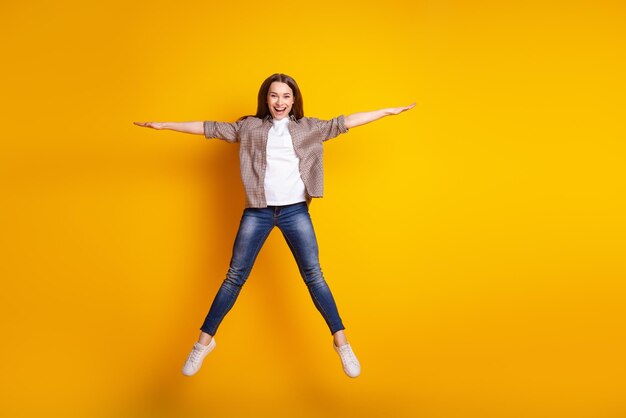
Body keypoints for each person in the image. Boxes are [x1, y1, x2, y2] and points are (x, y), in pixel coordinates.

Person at [134, 73, 415, 378]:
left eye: (285, 96)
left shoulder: (310, 128)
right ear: (265, 99)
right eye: (274, 96)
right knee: (234, 277)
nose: (279, 102)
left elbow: (345, 122)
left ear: (294, 100)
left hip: (295, 212)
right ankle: (203, 344)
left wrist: (386, 112)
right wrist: (165, 125)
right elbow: (208, 128)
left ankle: (341, 341)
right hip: (258, 212)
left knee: (314, 276)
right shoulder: (250, 127)